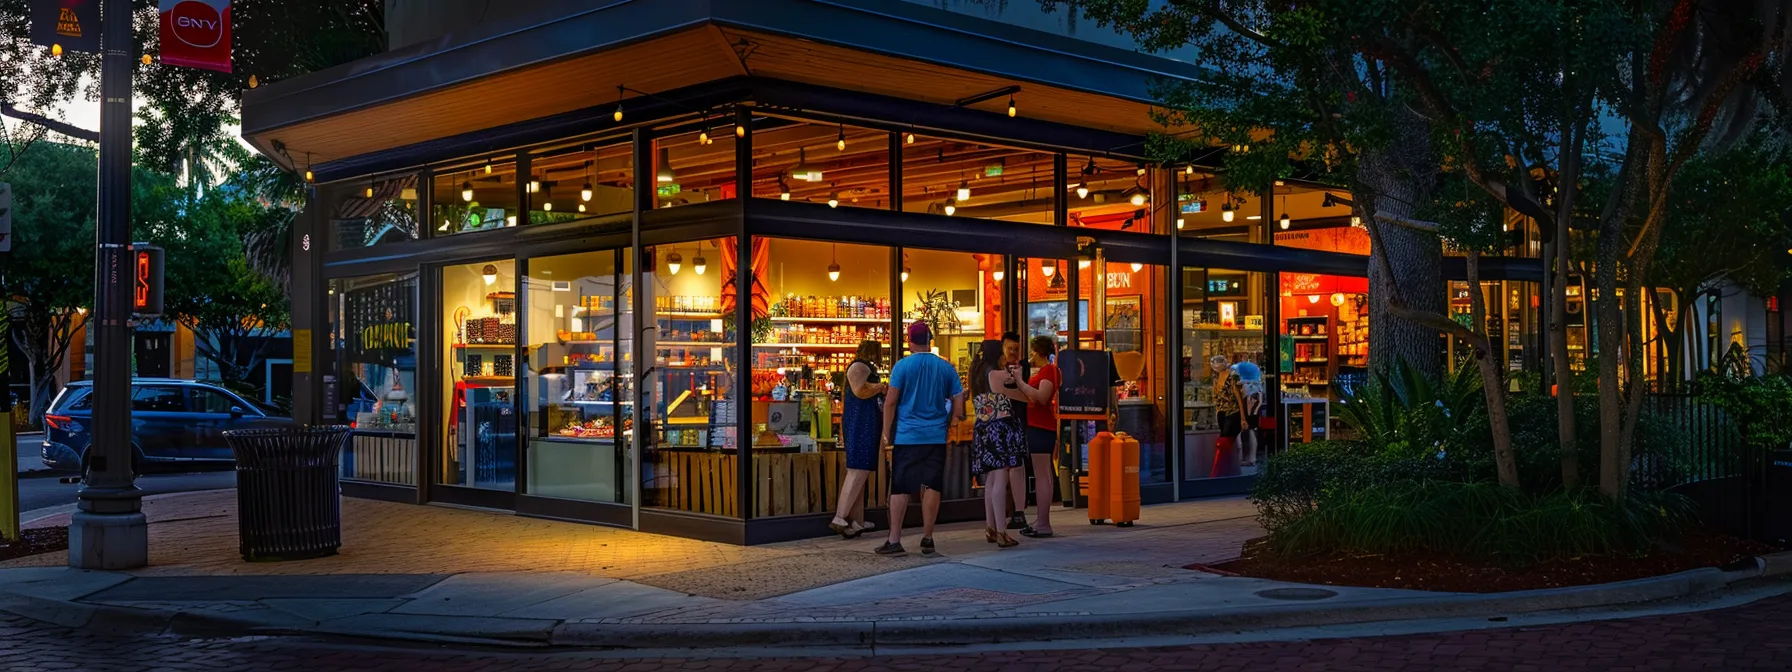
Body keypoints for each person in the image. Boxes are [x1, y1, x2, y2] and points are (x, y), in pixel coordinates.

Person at [878, 322, 965, 557]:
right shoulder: (946, 367)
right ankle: (928, 538)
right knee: (932, 486)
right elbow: (958, 404)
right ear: (931, 340)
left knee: (900, 489)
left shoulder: (902, 366)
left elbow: (891, 401)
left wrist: (887, 433)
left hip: (907, 437)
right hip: (935, 437)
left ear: (909, 341)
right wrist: (950, 425)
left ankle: (894, 540)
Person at [970, 340, 1028, 548]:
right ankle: (1002, 531)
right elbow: (1020, 389)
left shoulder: (976, 373)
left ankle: (990, 527)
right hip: (1000, 426)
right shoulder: (997, 374)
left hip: (983, 425)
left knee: (991, 480)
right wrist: (1018, 375)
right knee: (1001, 478)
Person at [829, 340, 888, 538]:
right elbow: (860, 390)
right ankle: (840, 517)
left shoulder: (863, 367)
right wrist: (880, 386)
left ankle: (857, 522)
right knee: (858, 470)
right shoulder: (859, 367)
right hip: (861, 423)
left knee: (860, 473)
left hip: (865, 422)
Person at [1010, 335, 1061, 538]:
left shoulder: (1049, 370)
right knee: (1044, 474)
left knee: (1042, 475)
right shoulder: (1048, 370)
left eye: (1032, 351)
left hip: (1041, 426)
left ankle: (1043, 522)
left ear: (1037, 351)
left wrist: (1021, 382)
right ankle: (1041, 520)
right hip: (1040, 426)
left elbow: (1041, 397)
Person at [1000, 331, 1030, 531]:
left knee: (1017, 467)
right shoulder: (995, 368)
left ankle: (1018, 511)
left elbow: (1023, 392)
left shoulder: (1023, 367)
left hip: (1018, 421)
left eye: (1015, 349)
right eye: (1009, 348)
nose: (1012, 353)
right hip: (1000, 422)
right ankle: (1003, 511)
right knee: (1001, 470)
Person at [1211, 355, 1247, 475]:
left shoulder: (1233, 377)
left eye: (1217, 362)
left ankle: (1218, 471)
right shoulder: (1216, 377)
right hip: (1221, 412)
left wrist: (1243, 417)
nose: (1215, 365)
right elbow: (1216, 396)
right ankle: (1229, 470)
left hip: (1233, 412)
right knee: (1225, 441)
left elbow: (1239, 398)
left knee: (1224, 442)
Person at [1233, 360, 1264, 467]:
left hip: (1250, 405)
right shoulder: (1256, 382)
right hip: (1253, 406)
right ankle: (1252, 457)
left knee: (1249, 430)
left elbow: (1246, 395)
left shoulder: (1247, 385)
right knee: (1252, 430)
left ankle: (1248, 457)